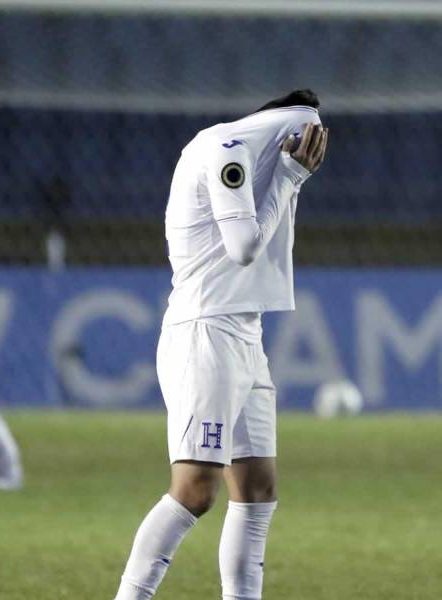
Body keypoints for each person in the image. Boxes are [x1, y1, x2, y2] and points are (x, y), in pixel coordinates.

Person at [113, 89, 329, 600]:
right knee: (194, 491)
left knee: (257, 492)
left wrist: (287, 177)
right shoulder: (226, 148)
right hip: (205, 332)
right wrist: (291, 177)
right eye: (307, 136)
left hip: (245, 334)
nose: (310, 147)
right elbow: (244, 247)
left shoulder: (248, 155)